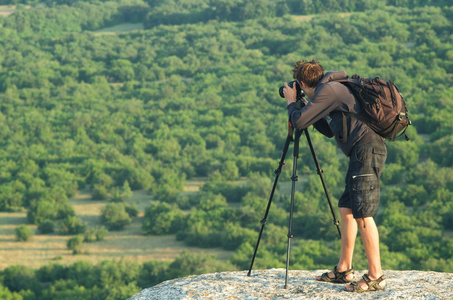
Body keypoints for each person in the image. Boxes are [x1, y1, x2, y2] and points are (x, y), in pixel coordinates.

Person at [282, 60, 387, 293]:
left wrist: (292, 103)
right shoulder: (330, 89)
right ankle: (344, 269)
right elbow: (329, 130)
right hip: (360, 152)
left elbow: (299, 121)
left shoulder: (327, 90)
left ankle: (375, 275)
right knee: (347, 208)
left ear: (301, 83)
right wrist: (308, 105)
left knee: (362, 214)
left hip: (366, 150)